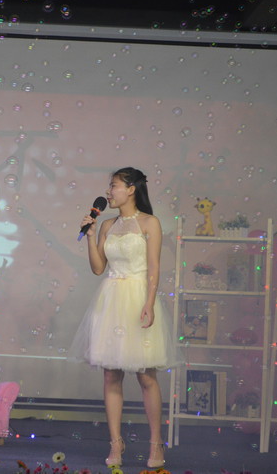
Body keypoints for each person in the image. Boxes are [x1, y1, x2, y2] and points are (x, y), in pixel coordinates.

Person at [69, 167, 180, 469]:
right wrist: (91, 236)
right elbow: (97, 268)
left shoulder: (150, 222)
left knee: (146, 375)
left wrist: (149, 303)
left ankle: (156, 442)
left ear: (131, 189)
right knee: (111, 374)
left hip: (138, 297)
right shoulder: (107, 224)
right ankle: (116, 443)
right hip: (111, 300)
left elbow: (154, 267)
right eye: (109, 186)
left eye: (114, 186)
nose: (109, 192)